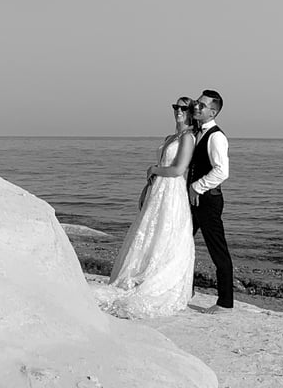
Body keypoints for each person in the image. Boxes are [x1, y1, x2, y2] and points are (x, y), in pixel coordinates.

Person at [92, 98, 196, 319]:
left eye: (183, 108)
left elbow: (178, 170)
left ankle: (155, 279)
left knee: (166, 233)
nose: (178, 111)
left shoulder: (188, 137)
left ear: (190, 113)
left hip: (171, 190)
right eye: (175, 107)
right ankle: (139, 275)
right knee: (149, 231)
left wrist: (154, 169)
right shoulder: (171, 137)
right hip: (158, 189)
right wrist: (148, 185)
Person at [188, 89, 234, 313]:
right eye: (197, 103)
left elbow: (222, 171)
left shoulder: (216, 136)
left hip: (208, 200)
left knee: (218, 251)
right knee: (182, 243)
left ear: (213, 112)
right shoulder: (196, 132)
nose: (197, 107)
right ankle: (185, 290)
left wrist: (197, 186)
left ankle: (225, 303)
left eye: (202, 105)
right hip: (192, 200)